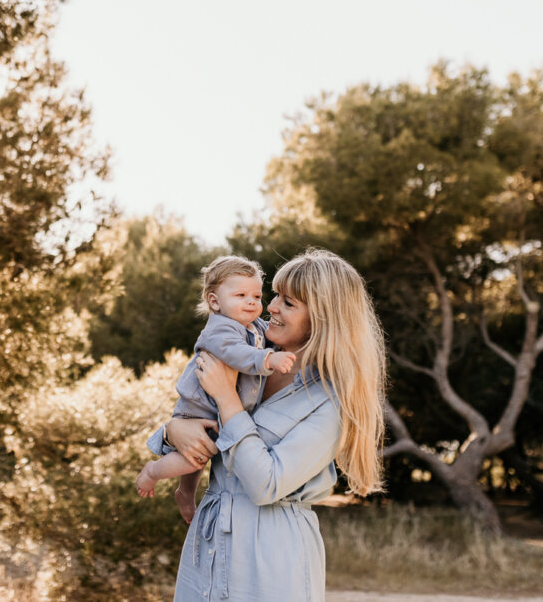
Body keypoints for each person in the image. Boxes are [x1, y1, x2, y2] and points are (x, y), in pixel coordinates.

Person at [152, 248, 387, 602]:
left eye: (288, 302)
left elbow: (267, 484)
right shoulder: (247, 351)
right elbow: (193, 408)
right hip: (209, 538)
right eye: (275, 295)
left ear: (322, 318)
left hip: (271, 553)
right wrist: (171, 431)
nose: (270, 307)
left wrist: (227, 399)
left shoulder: (330, 400)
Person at [136, 255, 297, 523]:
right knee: (195, 457)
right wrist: (269, 359)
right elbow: (236, 354)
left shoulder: (253, 325)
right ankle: (153, 472)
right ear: (214, 301)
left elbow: (268, 333)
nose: (251, 302)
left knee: (195, 456)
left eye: (256, 297)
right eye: (241, 295)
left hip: (214, 409)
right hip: (199, 407)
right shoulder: (219, 330)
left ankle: (185, 492)